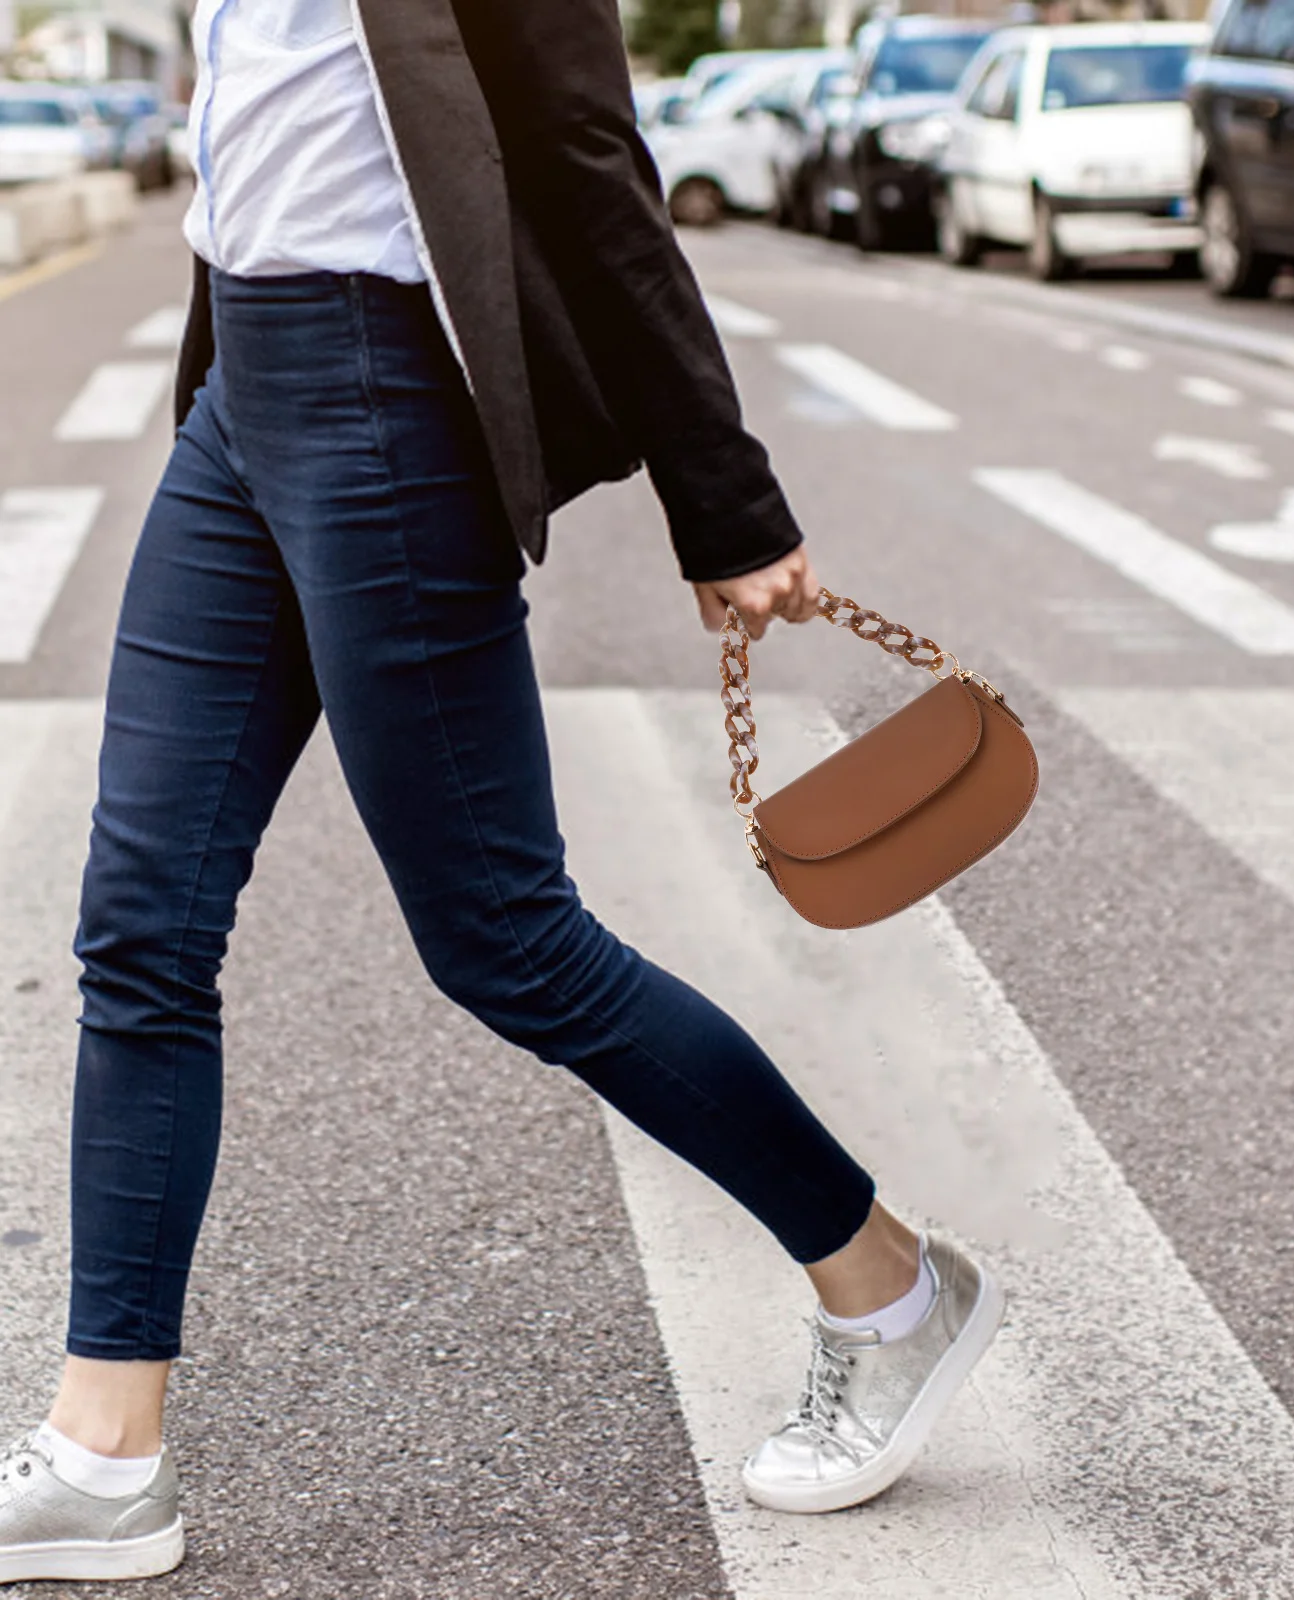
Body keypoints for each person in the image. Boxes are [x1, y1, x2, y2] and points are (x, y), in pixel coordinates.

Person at [0, 0, 1004, 1585]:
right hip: (241, 392)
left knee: (506, 939)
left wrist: (726, 501)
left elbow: (588, 150)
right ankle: (103, 1451)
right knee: (140, 927)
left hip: (383, 400)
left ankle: (890, 1288)